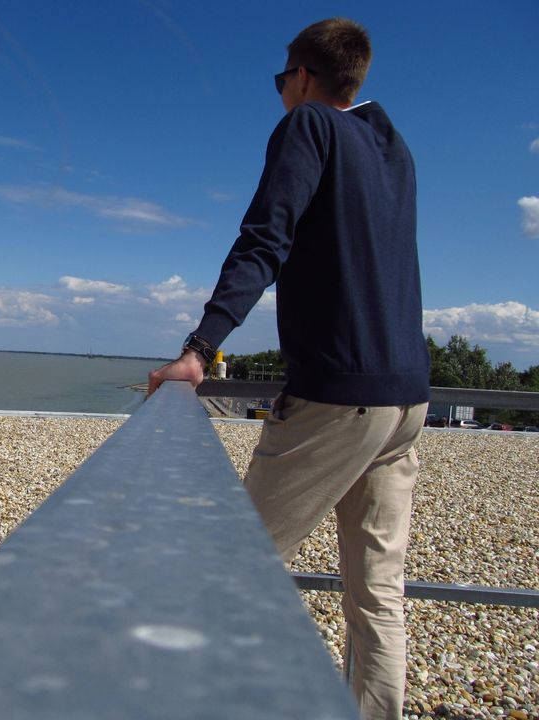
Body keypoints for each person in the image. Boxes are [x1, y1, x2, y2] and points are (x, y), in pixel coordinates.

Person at [148, 18, 430, 720]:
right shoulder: (394, 155)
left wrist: (200, 348)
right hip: (406, 400)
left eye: (282, 79)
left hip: (340, 395)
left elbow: (264, 239)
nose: (281, 93)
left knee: (231, 567)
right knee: (376, 593)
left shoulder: (311, 127)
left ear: (304, 80)